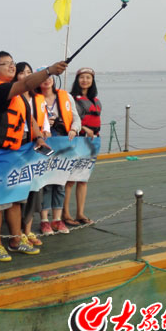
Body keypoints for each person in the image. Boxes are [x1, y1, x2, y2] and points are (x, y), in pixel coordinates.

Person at [0, 51, 66, 261]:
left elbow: (29, 119)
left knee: (15, 200)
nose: (11, 66)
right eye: (6, 63)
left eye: (13, 63)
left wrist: (39, 137)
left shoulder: (16, 96)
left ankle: (16, 240)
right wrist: (49, 71)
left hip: (15, 154)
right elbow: (26, 83)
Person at [36, 73, 81, 235]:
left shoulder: (65, 96)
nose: (47, 80)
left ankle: (57, 219)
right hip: (44, 143)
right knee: (46, 183)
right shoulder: (35, 99)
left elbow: (76, 118)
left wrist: (74, 129)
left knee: (60, 183)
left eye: (49, 77)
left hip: (63, 142)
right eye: (42, 77)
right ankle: (44, 220)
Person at [12, 62, 49, 247]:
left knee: (36, 187)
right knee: (20, 186)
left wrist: (44, 133)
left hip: (36, 143)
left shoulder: (38, 98)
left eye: (28, 72)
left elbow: (43, 119)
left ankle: (27, 229)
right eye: (21, 72)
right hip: (20, 143)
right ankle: (17, 231)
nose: (25, 75)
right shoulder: (13, 97)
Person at [63, 67, 101, 226]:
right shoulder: (71, 99)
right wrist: (84, 128)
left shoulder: (95, 100)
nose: (85, 80)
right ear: (77, 80)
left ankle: (80, 213)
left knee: (83, 179)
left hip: (91, 143)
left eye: (88, 77)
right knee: (70, 180)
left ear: (92, 81)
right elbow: (69, 120)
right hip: (77, 141)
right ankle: (65, 214)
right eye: (82, 77)